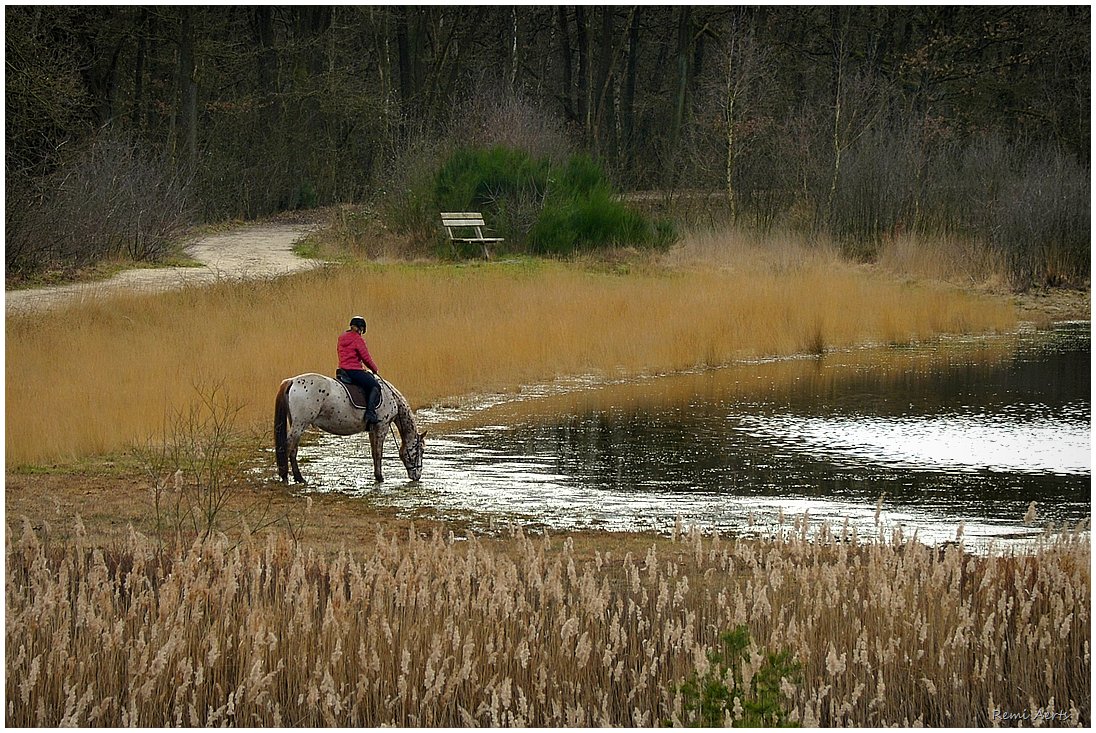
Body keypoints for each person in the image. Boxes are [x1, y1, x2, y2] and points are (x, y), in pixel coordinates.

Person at [338, 316, 381, 427]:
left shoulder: (342, 337)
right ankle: (370, 414)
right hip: (354, 370)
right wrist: (374, 369)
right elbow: (366, 358)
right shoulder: (357, 339)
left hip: (343, 370)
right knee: (375, 386)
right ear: (360, 328)